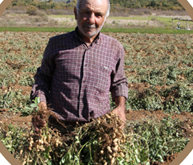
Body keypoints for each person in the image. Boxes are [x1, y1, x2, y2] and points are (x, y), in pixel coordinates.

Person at [31, 0, 127, 130]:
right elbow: (42, 79)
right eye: (86, 12)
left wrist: (121, 108)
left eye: (98, 15)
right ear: (76, 13)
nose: (91, 20)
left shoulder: (115, 48)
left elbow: (119, 82)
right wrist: (40, 105)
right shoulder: (56, 44)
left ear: (105, 18)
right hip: (58, 128)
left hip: (98, 129)